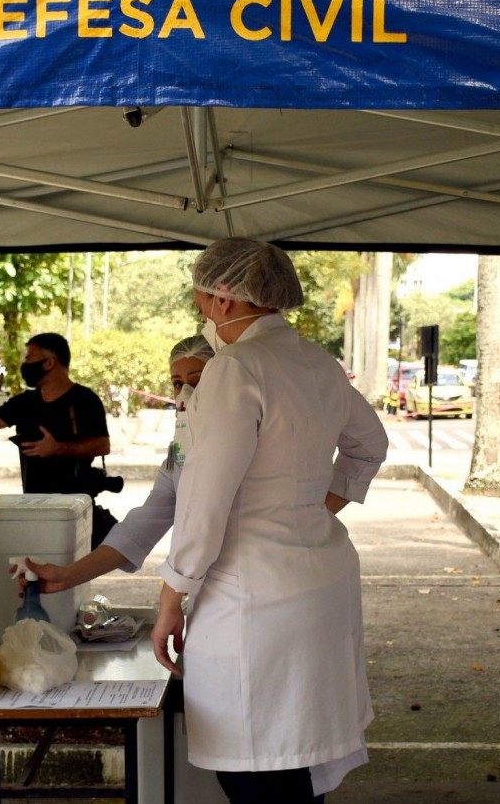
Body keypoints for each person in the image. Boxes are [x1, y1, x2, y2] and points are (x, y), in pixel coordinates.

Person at [151, 239, 389, 804]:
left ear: (224, 298)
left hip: (254, 598)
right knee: (300, 762)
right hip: (322, 583)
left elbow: (204, 501)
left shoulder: (235, 368)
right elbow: (370, 444)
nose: (199, 307)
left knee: (257, 769)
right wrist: (308, 507)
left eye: (200, 296)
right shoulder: (316, 361)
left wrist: (170, 597)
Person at [23, 334, 214, 591]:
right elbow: (143, 524)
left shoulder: (245, 442)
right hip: (210, 592)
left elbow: (205, 527)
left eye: (197, 381)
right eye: (177, 384)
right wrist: (68, 575)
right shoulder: (179, 453)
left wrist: (173, 592)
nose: (185, 394)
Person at [0, 332, 113, 547]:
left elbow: (103, 445)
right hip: (34, 506)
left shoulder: (85, 400)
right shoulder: (25, 402)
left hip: (75, 507)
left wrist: (58, 448)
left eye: (29, 358)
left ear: (49, 362)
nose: (25, 364)